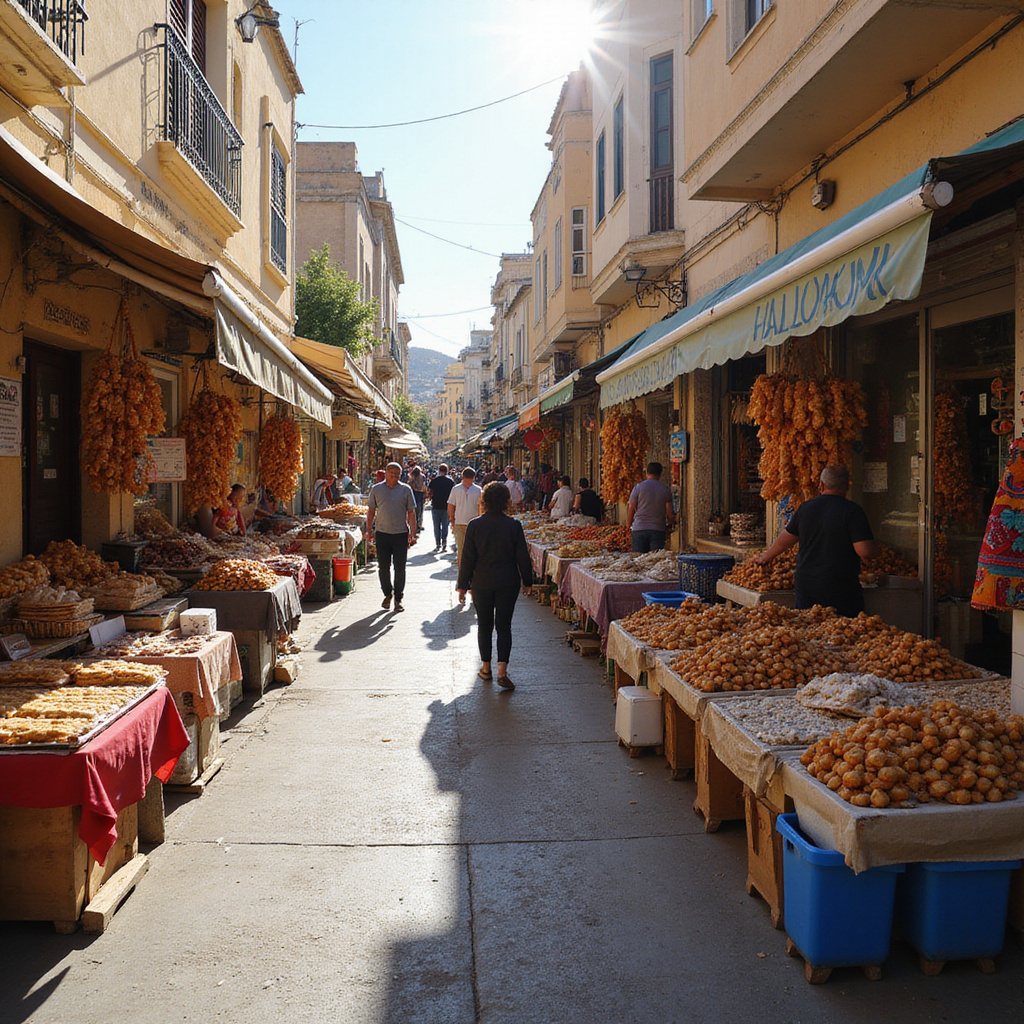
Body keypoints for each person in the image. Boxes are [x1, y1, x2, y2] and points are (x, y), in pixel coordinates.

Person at [754, 464, 879, 616]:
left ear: (821, 485)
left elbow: (785, 539)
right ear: (847, 486)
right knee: (844, 632)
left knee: (808, 626)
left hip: (807, 584)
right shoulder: (853, 511)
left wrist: (765, 557)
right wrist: (875, 550)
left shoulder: (806, 508)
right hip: (840, 585)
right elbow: (864, 551)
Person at [457, 481, 533, 690]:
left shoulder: (475, 525)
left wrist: (462, 585)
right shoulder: (513, 525)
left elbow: (468, 559)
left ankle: (486, 668)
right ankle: (502, 671)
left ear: (485, 501)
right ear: (505, 501)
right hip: (508, 582)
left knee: (484, 625)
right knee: (504, 626)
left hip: (481, 582)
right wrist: (528, 581)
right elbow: (523, 557)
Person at [366, 462, 418, 612]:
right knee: (383, 567)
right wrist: (369, 530)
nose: (394, 476)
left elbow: (411, 512)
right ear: (386, 473)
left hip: (400, 534)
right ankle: (387, 593)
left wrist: (413, 532)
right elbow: (371, 511)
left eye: (397, 473)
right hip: (382, 534)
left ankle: (398, 598)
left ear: (401, 475)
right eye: (391, 473)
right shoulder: (376, 489)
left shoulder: (406, 490)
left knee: (400, 568)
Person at [627, 462, 675, 553]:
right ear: (660, 473)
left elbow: (631, 507)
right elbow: (669, 512)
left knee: (639, 559)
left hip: (639, 529)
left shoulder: (638, 487)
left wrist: (629, 525)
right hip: (657, 529)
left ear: (647, 472)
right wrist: (670, 524)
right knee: (654, 560)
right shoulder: (665, 489)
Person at [448, 467, 483, 578]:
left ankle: (463, 574)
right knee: (474, 549)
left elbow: (451, 506)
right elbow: (481, 508)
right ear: (474, 477)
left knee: (462, 550)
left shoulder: (456, 489)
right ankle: (472, 573)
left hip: (460, 523)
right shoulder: (478, 490)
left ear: (462, 476)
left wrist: (452, 520)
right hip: (475, 524)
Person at [427, 463, 455, 552]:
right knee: (445, 526)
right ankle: (444, 543)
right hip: (447, 506)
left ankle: (437, 544)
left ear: (439, 470)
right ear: (447, 471)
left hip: (436, 506)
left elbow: (430, 492)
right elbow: (453, 494)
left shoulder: (434, 481)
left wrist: (431, 498)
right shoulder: (450, 481)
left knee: (436, 526)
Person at [408, 464, 427, 531]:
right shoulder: (422, 476)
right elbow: (425, 486)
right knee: (419, 510)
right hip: (420, 493)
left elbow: (409, 484)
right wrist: (425, 494)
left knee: (414, 509)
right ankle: (418, 524)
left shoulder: (411, 476)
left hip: (414, 493)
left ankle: (414, 524)